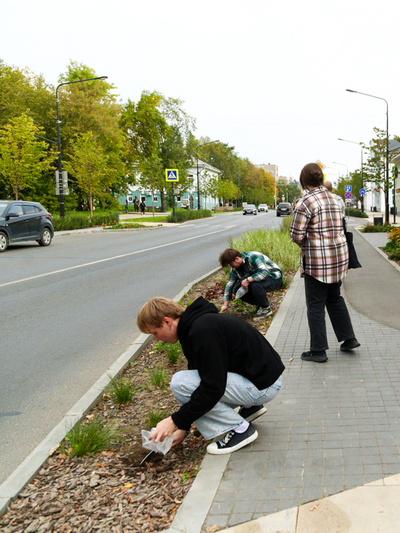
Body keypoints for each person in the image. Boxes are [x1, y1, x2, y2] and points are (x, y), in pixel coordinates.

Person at [137, 297, 285, 454]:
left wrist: (174, 421)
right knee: (190, 382)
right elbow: (200, 374)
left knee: (180, 383)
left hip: (264, 387)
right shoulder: (195, 325)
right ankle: (249, 407)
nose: (157, 339)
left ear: (167, 322)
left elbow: (212, 387)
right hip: (260, 379)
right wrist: (183, 426)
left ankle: (240, 430)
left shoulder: (202, 330)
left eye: (155, 333)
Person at [290, 163, 360, 363]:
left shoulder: (305, 202)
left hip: (317, 262)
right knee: (335, 298)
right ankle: (349, 338)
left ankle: (318, 350)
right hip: (338, 258)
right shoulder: (336, 199)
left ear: (304, 181)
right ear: (321, 179)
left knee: (315, 304)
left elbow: (296, 235)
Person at [219, 248, 283, 319]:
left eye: (231, 264)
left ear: (237, 259)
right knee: (237, 290)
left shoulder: (253, 257)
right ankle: (260, 304)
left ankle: (265, 308)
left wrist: (248, 280)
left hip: (274, 278)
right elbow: (229, 284)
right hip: (259, 281)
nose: (231, 267)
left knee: (254, 285)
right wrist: (225, 304)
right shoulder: (235, 268)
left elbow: (265, 272)